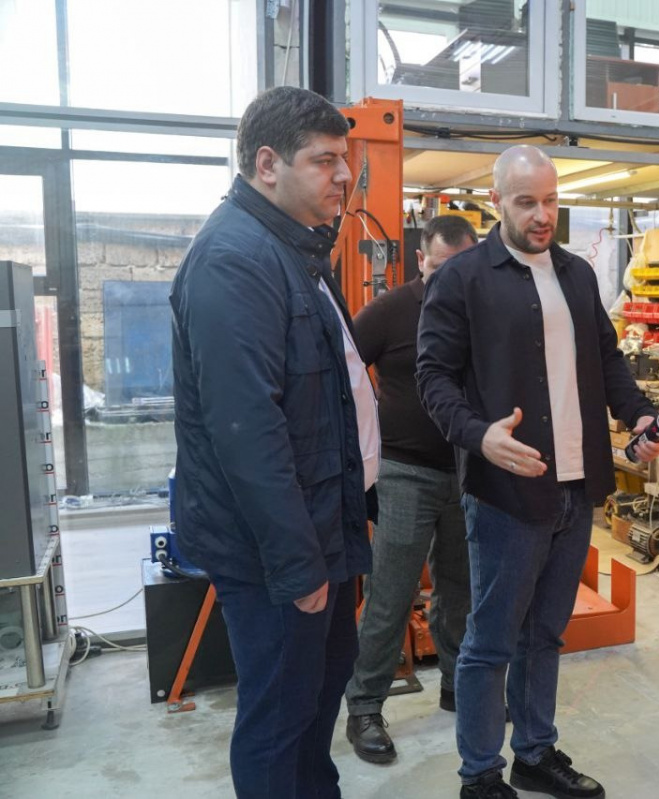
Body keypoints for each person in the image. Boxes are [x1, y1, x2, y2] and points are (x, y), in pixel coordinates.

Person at [416, 145, 659, 799]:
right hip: (506, 490)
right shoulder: (463, 279)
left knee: (545, 635)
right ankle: (480, 773)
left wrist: (640, 414)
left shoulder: (577, 275)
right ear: (496, 201)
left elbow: (608, 361)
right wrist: (479, 435)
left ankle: (534, 753)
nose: (541, 215)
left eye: (551, 201)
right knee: (491, 640)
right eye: (526, 201)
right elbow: (433, 377)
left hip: (577, 488)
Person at [170, 86, 380, 799]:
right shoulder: (234, 260)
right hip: (277, 551)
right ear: (267, 165)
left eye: (345, 159)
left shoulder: (293, 249)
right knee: (280, 716)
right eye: (324, 160)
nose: (344, 176)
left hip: (319, 526)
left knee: (318, 693)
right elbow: (246, 433)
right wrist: (297, 564)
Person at [343, 215, 479, 763]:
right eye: (440, 268)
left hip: (470, 472)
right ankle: (364, 707)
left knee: (461, 592)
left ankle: (457, 686)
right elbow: (342, 372)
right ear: (421, 260)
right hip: (404, 473)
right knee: (392, 592)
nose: (451, 279)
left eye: (461, 268)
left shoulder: (482, 311)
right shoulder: (390, 311)